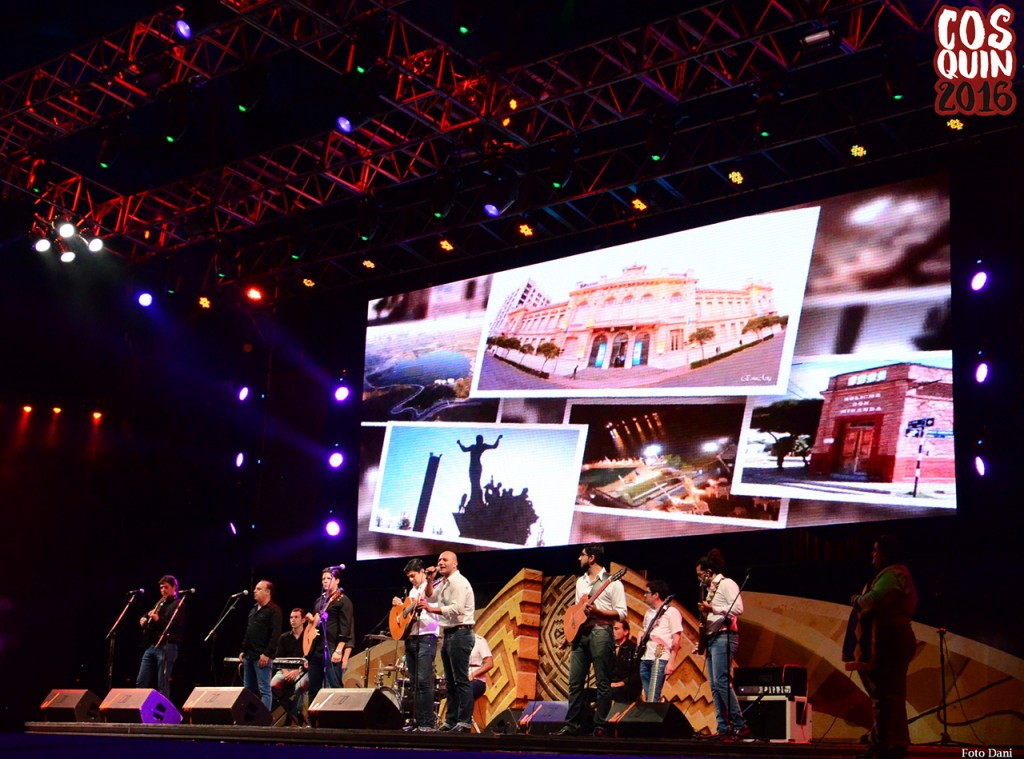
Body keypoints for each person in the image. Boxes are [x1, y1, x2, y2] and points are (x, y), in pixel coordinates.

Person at [848, 536, 918, 759]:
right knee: (891, 695)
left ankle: (883, 746)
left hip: (890, 640)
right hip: (890, 638)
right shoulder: (894, 574)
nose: (873, 554)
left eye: (875, 550)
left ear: (886, 553)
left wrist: (856, 600)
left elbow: (874, 600)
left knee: (884, 696)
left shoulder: (895, 573)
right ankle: (895, 742)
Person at [557, 544, 626, 736]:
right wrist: (568, 634)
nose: (579, 558)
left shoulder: (613, 582)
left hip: (601, 632)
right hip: (580, 635)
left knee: (603, 682)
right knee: (574, 682)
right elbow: (578, 610)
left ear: (592, 558)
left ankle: (600, 726)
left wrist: (598, 612)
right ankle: (572, 725)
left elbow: (621, 613)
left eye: (582, 555)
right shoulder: (580, 582)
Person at [419, 550, 475, 733]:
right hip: (450, 634)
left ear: (455, 564)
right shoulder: (443, 582)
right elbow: (430, 596)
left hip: (461, 633)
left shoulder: (459, 582)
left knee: (461, 681)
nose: (441, 562)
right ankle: (451, 721)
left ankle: (465, 722)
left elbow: (456, 609)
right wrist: (429, 579)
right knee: (450, 682)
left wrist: (430, 610)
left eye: (445, 559)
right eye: (439, 559)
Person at [695, 549, 749, 739]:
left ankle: (740, 724)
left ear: (709, 572)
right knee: (715, 685)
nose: (699, 579)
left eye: (700, 575)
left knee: (721, 682)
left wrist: (713, 608)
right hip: (713, 639)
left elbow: (738, 608)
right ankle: (722, 727)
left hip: (725, 637)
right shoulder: (711, 590)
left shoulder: (727, 584)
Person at [392, 558, 439, 732]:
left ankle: (428, 723)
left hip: (426, 637)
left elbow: (434, 606)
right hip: (411, 638)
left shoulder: (433, 586)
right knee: (414, 683)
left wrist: (424, 607)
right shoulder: (412, 591)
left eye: (413, 576)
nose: (411, 579)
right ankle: (418, 721)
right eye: (409, 577)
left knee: (424, 682)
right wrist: (400, 608)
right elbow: (406, 616)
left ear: (422, 572)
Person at [306, 567, 354, 701]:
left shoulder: (343, 601)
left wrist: (339, 650)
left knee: (335, 686)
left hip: (332, 648)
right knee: (313, 689)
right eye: (323, 579)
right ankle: (313, 721)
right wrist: (312, 620)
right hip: (316, 649)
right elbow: (317, 621)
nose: (325, 581)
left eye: (329, 578)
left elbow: (346, 628)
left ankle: (337, 720)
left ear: (337, 581)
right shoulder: (319, 601)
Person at [135, 575, 184, 700]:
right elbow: (149, 614)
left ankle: (163, 715)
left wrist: (158, 620)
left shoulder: (178, 604)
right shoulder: (160, 602)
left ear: (174, 587)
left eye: (166, 587)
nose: (163, 590)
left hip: (167, 646)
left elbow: (174, 626)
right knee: (141, 682)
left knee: (162, 684)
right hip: (152, 646)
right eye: (161, 588)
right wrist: (144, 619)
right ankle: (140, 711)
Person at [240, 580, 282, 711]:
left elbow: (275, 635)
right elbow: (249, 631)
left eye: (258, 589)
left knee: (264, 689)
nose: (254, 591)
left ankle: (263, 722)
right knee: (248, 690)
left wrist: (267, 653)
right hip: (249, 655)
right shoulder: (253, 609)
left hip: (261, 657)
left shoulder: (274, 610)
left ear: (267, 592)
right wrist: (243, 649)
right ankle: (248, 719)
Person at [638, 579, 682, 702]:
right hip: (645, 657)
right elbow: (646, 632)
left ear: (656, 595)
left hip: (659, 658)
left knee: (653, 696)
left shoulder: (671, 612)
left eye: (647, 592)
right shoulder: (648, 613)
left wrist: (671, 662)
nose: (644, 595)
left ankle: (654, 718)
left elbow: (677, 638)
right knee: (648, 697)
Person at [271, 608, 309, 725]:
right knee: (272, 686)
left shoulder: (308, 637)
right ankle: (294, 713)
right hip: (285, 670)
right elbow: (278, 659)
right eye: (291, 617)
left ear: (303, 620)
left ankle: (291, 715)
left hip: (302, 670)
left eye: (296, 617)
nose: (293, 620)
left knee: (301, 687)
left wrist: (298, 671)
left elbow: (309, 659)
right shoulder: (284, 637)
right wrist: (286, 672)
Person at [609, 619, 640, 703]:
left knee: (615, 693)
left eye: (616, 629)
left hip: (627, 687)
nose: (613, 631)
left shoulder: (632, 649)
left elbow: (636, 673)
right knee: (585, 693)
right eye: (613, 629)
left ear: (626, 632)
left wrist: (621, 683)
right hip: (611, 685)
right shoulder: (610, 648)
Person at [468, 632, 493, 702]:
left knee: (464, 693)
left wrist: (473, 675)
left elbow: (489, 663)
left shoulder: (480, 641)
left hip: (476, 680)